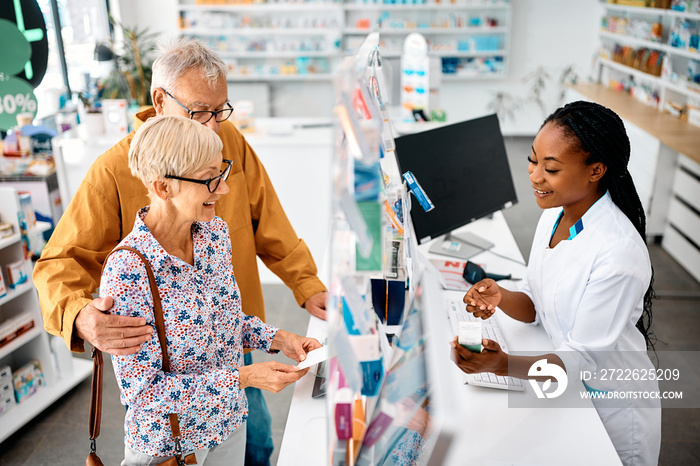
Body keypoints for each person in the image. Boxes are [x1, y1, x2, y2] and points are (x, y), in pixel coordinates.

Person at [33, 37, 327, 466]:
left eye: (220, 111)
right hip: (171, 380)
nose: (212, 126)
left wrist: (306, 286)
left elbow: (270, 222)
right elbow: (60, 261)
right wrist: (79, 316)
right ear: (159, 100)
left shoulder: (231, 147)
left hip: (230, 336)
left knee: (257, 445)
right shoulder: (113, 171)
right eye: (199, 112)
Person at [101, 115, 320, 466]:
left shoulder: (213, 233)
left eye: (222, 173)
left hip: (228, 424)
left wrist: (280, 339)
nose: (224, 189)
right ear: (163, 188)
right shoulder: (128, 271)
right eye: (209, 180)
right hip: (171, 446)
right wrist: (245, 376)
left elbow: (225, 318)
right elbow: (144, 394)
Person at [451, 101, 661, 466]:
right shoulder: (555, 216)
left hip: (609, 411)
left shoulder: (618, 252)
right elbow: (537, 301)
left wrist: (501, 365)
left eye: (551, 168)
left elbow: (582, 361)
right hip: (568, 392)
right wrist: (502, 296)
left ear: (596, 170)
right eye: (534, 161)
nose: (534, 176)